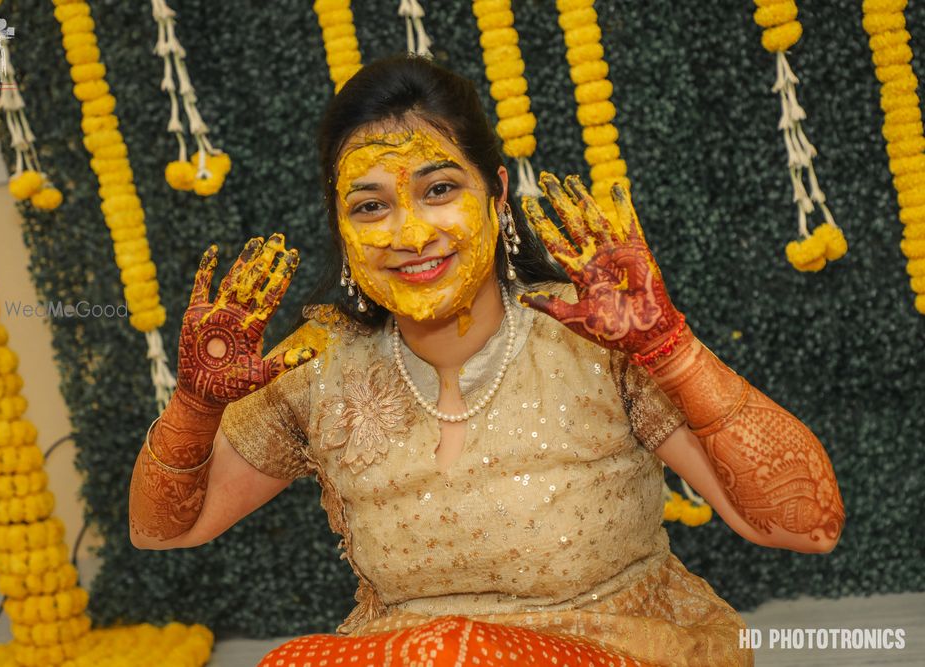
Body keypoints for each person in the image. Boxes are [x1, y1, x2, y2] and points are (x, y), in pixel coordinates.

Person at [128, 55, 845, 667]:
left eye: (440, 189)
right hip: (405, 653)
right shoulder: (319, 365)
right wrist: (195, 408)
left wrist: (672, 350)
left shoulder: (601, 335)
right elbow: (163, 529)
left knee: (457, 652)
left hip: (617, 647)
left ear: (498, 196)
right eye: (370, 206)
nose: (409, 233)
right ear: (340, 224)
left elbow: (805, 524)